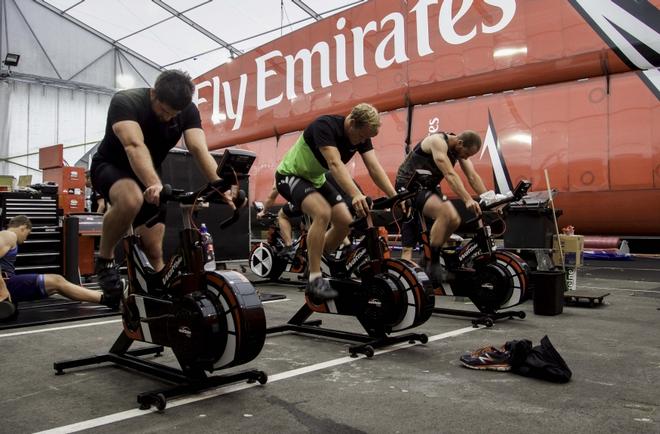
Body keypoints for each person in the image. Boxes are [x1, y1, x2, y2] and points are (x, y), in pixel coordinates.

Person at [90, 69, 235, 295]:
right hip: (111, 166)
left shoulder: (187, 111)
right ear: (154, 94)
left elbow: (198, 147)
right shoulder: (126, 101)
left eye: (173, 114)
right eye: (164, 110)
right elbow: (134, 146)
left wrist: (218, 184)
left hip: (150, 173)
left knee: (155, 251)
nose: (168, 117)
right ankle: (105, 259)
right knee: (131, 199)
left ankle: (159, 299)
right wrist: (153, 183)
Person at [275, 103, 397, 300]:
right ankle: (314, 279)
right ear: (351, 123)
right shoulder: (325, 126)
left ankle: (317, 259)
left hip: (316, 179)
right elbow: (334, 163)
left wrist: (394, 196)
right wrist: (355, 194)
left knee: (344, 222)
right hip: (290, 175)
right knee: (322, 213)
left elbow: (374, 167)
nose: (363, 141)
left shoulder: (362, 132)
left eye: (367, 138)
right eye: (362, 136)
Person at [395, 130, 487, 283]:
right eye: (466, 154)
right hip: (408, 185)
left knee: (455, 220)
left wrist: (489, 198)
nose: (465, 158)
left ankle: (428, 256)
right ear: (460, 143)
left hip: (428, 185)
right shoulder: (437, 142)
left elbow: (472, 176)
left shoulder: (458, 150)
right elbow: (450, 175)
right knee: (446, 213)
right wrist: (467, 199)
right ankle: (433, 262)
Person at [0, 215, 118, 319]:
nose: (25, 239)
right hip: (5, 284)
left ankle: (107, 299)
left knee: (53, 286)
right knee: (56, 281)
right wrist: (3, 289)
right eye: (27, 234)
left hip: (8, 282)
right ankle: (108, 298)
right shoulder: (9, 235)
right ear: (23, 227)